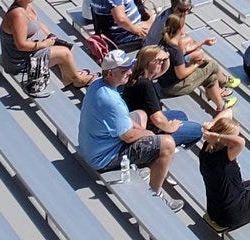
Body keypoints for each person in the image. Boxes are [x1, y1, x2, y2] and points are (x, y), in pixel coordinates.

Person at [78, 51, 181, 210]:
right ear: (111, 73)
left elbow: (126, 121)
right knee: (167, 144)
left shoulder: (98, 84)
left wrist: (144, 134)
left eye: (130, 67)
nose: (130, 72)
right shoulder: (112, 101)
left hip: (93, 145)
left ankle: (144, 167)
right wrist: (150, 135)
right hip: (103, 158)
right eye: (125, 69)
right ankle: (155, 194)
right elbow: (127, 136)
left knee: (140, 114)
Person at [1, 0, 94, 94]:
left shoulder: (27, 5)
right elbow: (21, 45)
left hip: (32, 49)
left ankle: (69, 79)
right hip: (20, 61)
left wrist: (50, 36)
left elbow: (37, 23)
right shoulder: (17, 15)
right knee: (64, 53)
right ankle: (78, 80)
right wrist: (44, 44)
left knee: (68, 48)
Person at [121, 46, 210, 146]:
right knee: (198, 129)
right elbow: (157, 119)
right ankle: (168, 147)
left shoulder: (136, 76)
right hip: (148, 128)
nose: (162, 64)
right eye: (159, 61)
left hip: (140, 119)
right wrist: (171, 127)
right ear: (149, 63)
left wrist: (165, 59)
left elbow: (160, 72)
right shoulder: (146, 85)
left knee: (181, 115)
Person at [157, 12, 234, 114]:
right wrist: (196, 64)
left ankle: (221, 105)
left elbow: (183, 52)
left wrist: (203, 42)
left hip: (164, 83)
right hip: (173, 88)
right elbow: (181, 74)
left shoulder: (165, 41)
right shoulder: (175, 51)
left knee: (210, 76)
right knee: (211, 65)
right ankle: (224, 82)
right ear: (180, 28)